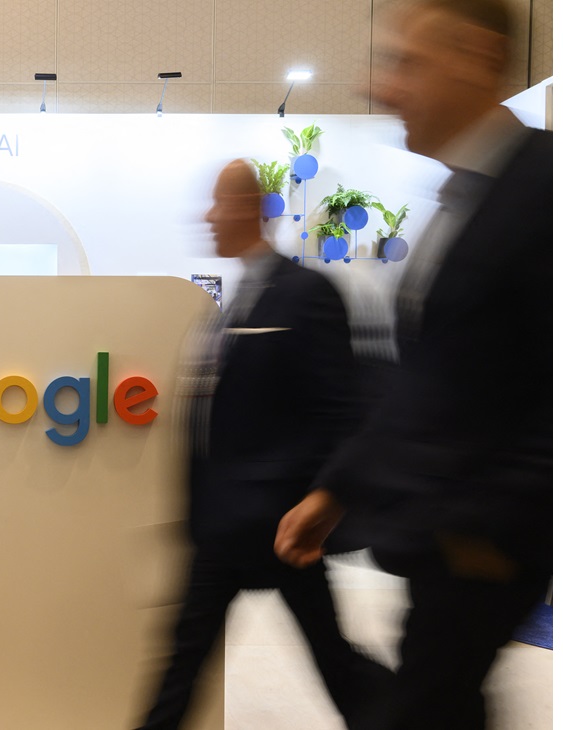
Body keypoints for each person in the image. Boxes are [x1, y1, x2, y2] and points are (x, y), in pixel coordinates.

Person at [274, 1, 553, 727]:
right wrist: (335, 490)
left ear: (477, 57)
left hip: (480, 551)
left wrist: (485, 535)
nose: (381, 88)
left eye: (406, 62)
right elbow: (425, 381)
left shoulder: (552, 191)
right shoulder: (459, 202)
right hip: (438, 550)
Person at [135, 159, 392, 730]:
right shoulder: (236, 304)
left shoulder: (305, 294)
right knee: (182, 666)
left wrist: (323, 502)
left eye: (219, 201)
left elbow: (341, 411)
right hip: (226, 527)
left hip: (279, 526)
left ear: (250, 209)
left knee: (335, 665)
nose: (207, 215)